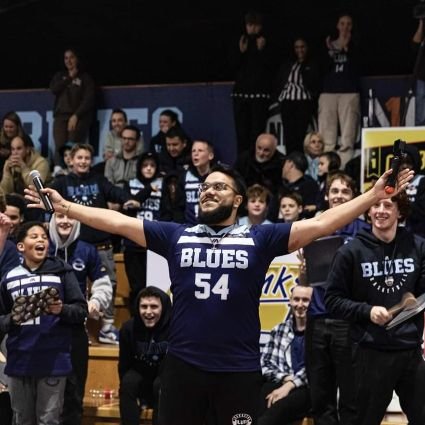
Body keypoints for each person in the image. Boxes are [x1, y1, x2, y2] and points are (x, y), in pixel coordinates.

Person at [24, 164, 414, 425]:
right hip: (182, 369)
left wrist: (371, 194)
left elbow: (321, 222)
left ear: (238, 200)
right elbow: (120, 222)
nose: (208, 191)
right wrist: (68, 207)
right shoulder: (177, 234)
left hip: (237, 371)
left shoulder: (259, 237)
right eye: (205, 187)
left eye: (218, 187)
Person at [325, 191, 425, 425]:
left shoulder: (418, 247)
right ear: (368, 211)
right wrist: (366, 311)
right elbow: (332, 300)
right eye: (375, 205)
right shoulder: (350, 252)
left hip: (409, 350)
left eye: (388, 205)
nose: (380, 210)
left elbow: (422, 295)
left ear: (399, 211)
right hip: (368, 352)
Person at [50, 143, 138, 344]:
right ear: (70, 160)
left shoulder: (99, 180)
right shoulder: (62, 182)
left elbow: (115, 192)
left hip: (101, 245)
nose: (83, 161)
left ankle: (107, 327)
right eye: (79, 158)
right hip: (74, 246)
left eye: (87, 158)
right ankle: (74, 323)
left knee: (109, 284)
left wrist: (129, 199)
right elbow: (47, 202)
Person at [0, 221, 87, 425]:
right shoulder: (9, 278)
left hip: (53, 360)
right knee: (22, 419)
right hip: (19, 360)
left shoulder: (62, 272)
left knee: (48, 420)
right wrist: (12, 318)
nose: (41, 240)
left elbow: (81, 310)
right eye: (34, 236)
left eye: (44, 237)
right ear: (20, 246)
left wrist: (61, 309)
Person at [304, 171, 370, 425]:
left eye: (345, 191)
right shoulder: (313, 226)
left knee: (352, 398)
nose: (339, 196)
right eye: (335, 191)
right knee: (321, 397)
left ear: (354, 196)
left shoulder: (365, 231)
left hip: (348, 322)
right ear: (326, 195)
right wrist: (303, 268)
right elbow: (305, 282)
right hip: (317, 319)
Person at [49, 212, 112, 425]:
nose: (65, 221)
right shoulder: (42, 246)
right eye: (59, 217)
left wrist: (96, 302)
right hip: (45, 330)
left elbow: (103, 283)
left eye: (70, 217)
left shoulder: (87, 249)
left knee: (74, 393)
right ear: (52, 220)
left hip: (75, 329)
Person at [258, 285, 313, 425]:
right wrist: (286, 380)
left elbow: (317, 370)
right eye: (296, 299)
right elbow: (265, 364)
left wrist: (291, 385)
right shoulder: (279, 330)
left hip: (307, 388)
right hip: (281, 381)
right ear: (290, 301)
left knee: (273, 415)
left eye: (305, 300)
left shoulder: (319, 332)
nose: (300, 304)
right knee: (255, 404)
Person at [119, 286, 171, 425]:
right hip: (141, 377)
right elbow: (124, 365)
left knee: (161, 384)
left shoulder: (175, 328)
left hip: (166, 382)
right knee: (127, 382)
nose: (148, 312)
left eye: (154, 307)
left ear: (164, 308)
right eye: (144, 306)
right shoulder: (128, 328)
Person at [318, 13, 360, 168]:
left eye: (349, 23)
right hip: (328, 92)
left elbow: (360, 67)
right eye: (342, 23)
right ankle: (326, 167)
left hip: (349, 92)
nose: (345, 27)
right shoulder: (328, 44)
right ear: (337, 26)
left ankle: (344, 168)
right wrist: (334, 50)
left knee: (348, 136)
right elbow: (321, 69)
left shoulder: (356, 45)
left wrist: (347, 48)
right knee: (327, 136)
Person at [123, 152, 164, 311]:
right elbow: (129, 205)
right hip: (133, 244)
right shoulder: (130, 183)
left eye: (152, 166)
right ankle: (137, 326)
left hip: (155, 246)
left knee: (158, 289)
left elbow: (167, 212)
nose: (148, 169)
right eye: (145, 165)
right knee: (137, 289)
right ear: (139, 167)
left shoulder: (163, 185)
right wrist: (148, 190)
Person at [230, 11, 274, 153]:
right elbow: (233, 67)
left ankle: (256, 161)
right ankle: (242, 164)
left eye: (255, 25)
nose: (253, 29)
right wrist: (240, 52)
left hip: (259, 94)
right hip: (241, 93)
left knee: (256, 133)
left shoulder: (266, 41)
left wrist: (262, 51)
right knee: (242, 132)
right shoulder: (242, 41)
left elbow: (269, 68)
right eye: (250, 25)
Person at [273, 37, 320, 155]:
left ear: (307, 48)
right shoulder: (288, 64)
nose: (300, 50)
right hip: (287, 101)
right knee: (289, 135)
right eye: (297, 47)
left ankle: (299, 160)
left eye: (302, 47)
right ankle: (290, 159)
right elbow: (279, 81)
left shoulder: (312, 64)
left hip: (303, 102)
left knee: (300, 135)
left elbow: (314, 83)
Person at [49, 48, 95, 166]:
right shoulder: (60, 76)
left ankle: (73, 170)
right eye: (66, 58)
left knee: (72, 145)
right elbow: (54, 89)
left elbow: (88, 99)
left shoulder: (85, 78)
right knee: (60, 146)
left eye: (72, 57)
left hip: (77, 117)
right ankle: (58, 171)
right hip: (60, 116)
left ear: (77, 59)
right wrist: (69, 78)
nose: (69, 61)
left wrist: (76, 115)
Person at [0, 112, 25, 181]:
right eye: (6, 127)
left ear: (17, 127)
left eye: (11, 127)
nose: (8, 130)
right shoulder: (0, 138)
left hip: (20, 172)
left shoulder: (25, 139)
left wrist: (9, 153)